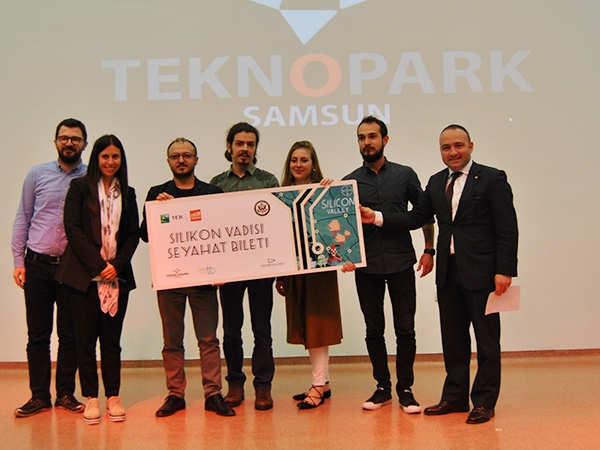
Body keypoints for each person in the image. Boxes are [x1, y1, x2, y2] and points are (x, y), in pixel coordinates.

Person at [368, 124, 518, 424]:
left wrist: (505, 270)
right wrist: (377, 217)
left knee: (487, 342)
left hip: (483, 274)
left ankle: (484, 401)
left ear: (471, 146)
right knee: (453, 340)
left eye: (458, 145)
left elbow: (507, 227)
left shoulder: (492, 178)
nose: (453, 152)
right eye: (446, 147)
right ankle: (455, 397)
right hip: (448, 274)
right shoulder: (437, 182)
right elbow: (416, 217)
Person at [343, 116, 434, 413]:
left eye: (372, 136)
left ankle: (405, 388)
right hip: (366, 266)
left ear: (385, 139)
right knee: (374, 329)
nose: (366, 142)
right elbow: (341, 226)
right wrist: (343, 256)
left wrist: (429, 249)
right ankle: (382, 387)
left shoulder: (405, 175)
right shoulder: (349, 182)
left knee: (405, 329)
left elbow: (422, 214)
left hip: (401, 262)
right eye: (361, 137)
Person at [139, 138, 234, 417]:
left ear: (196, 159)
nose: (181, 160)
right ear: (168, 161)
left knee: (209, 339)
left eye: (187, 155)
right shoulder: (157, 193)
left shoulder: (212, 193)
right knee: (172, 341)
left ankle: (213, 394)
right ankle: (175, 394)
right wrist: (157, 210)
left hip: (204, 280)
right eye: (175, 156)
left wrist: (222, 270)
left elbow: (222, 234)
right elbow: (145, 235)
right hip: (170, 280)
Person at [55, 134, 139, 425]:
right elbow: (73, 228)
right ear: (96, 159)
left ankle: (113, 396)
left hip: (117, 278)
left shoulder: (128, 192)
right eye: (105, 156)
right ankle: (91, 396)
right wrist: (99, 265)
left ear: (121, 160)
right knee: (85, 341)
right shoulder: (80, 187)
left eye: (115, 156)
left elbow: (132, 235)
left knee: (112, 342)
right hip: (84, 278)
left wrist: (115, 266)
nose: (110, 161)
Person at [11, 118, 88, 418]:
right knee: (38, 336)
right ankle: (39, 396)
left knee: (69, 335)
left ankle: (66, 393)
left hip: (72, 268)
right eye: (64, 138)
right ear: (56, 141)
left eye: (75, 139)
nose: (69, 143)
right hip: (38, 265)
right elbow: (23, 217)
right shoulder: (37, 174)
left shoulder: (89, 178)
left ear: (84, 144)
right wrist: (18, 261)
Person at [210, 122, 279, 410]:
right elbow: (209, 227)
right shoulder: (216, 184)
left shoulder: (268, 181)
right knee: (231, 330)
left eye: (250, 144)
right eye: (239, 143)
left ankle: (263, 387)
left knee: (262, 330)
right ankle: (235, 385)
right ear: (229, 147)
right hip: (229, 271)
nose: (245, 149)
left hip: (261, 269)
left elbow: (278, 226)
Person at [274, 141, 348, 409]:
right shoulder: (280, 197)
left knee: (318, 327)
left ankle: (317, 385)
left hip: (320, 271)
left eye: (304, 160)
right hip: (294, 270)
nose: (298, 165)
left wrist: (329, 193)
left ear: (313, 164)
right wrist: (279, 274)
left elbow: (336, 230)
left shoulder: (324, 193)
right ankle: (323, 383)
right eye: (294, 160)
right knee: (306, 326)